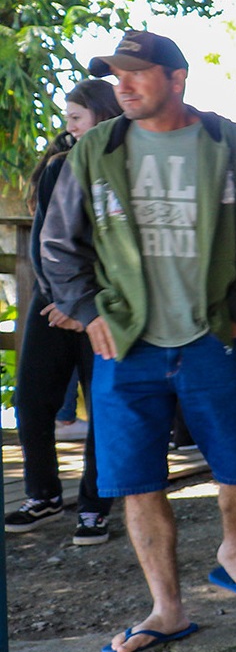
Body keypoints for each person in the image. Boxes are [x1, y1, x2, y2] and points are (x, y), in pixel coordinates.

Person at [39, 30, 236, 652]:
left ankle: (233, 554)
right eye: (115, 75)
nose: (122, 86)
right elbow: (57, 243)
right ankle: (167, 609)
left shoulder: (228, 142)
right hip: (125, 346)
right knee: (137, 479)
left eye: (136, 73)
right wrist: (87, 311)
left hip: (210, 335)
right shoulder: (96, 149)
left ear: (177, 78)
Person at [6, 78, 123, 545]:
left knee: (103, 405)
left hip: (105, 304)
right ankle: (43, 494)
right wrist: (62, 299)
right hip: (52, 302)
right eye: (68, 118)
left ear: (101, 115)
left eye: (76, 117)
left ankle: (94, 506)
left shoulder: (125, 166)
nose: (69, 126)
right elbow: (44, 242)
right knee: (32, 399)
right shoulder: (59, 167)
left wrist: (87, 306)